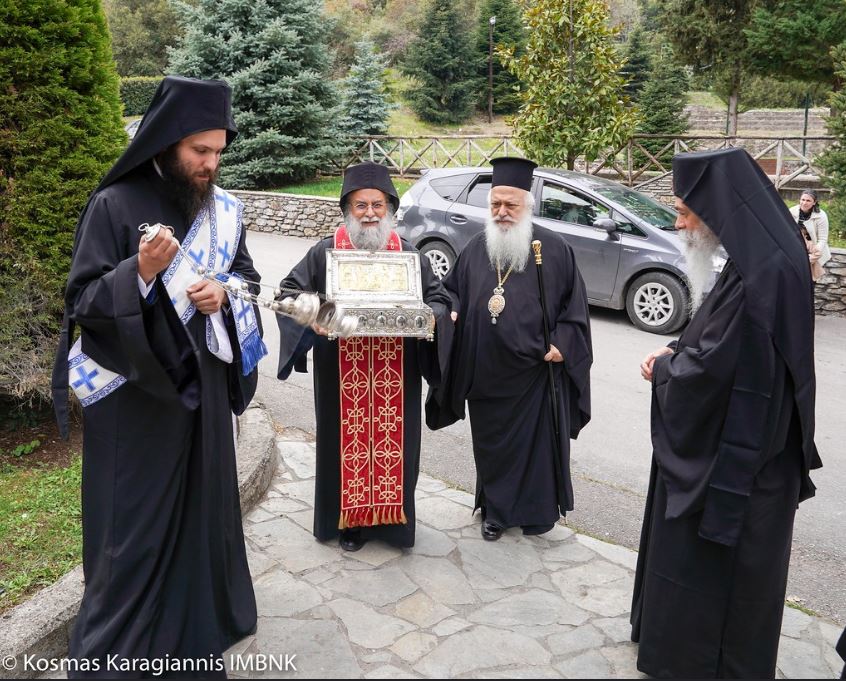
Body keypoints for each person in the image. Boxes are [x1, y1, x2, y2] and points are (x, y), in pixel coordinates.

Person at [51, 76, 264, 677]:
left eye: (219, 151)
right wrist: (140, 272)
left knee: (204, 511)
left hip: (205, 394)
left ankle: (201, 622)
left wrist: (224, 293)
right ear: (169, 142)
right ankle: (120, 643)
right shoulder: (114, 204)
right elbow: (83, 300)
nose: (211, 163)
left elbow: (248, 279)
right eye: (200, 150)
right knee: (134, 524)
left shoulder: (222, 210)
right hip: (137, 399)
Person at [632, 148, 822, 678]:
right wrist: (678, 349)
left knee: (716, 577)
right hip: (749, 449)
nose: (677, 224)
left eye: (683, 211)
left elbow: (720, 370)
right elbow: (718, 339)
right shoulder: (760, 254)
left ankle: (696, 664)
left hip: (737, 461)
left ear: (716, 207)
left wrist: (667, 370)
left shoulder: (764, 270)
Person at [276, 162, 452, 552]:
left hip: (397, 375)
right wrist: (315, 316)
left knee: (397, 452)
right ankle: (349, 526)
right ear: (347, 209)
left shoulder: (408, 254)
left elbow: (440, 300)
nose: (370, 213)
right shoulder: (325, 252)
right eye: (360, 205)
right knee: (343, 450)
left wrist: (430, 317)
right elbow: (288, 294)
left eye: (377, 205)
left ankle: (394, 527)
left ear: (389, 209)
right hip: (341, 377)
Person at [426, 157, 592, 541]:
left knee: (534, 452)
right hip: (484, 372)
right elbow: (451, 292)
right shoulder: (475, 248)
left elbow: (575, 310)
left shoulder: (554, 249)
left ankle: (534, 513)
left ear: (527, 205)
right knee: (493, 449)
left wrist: (563, 344)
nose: (501, 212)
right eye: (495, 204)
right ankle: (496, 512)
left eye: (510, 205)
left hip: (533, 374)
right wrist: (450, 311)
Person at [790, 188, 831, 282]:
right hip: (796, 251)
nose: (804, 203)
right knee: (795, 281)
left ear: (814, 202)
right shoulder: (792, 211)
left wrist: (813, 256)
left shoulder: (821, 216)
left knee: (810, 281)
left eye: (808, 200)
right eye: (803, 199)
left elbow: (823, 239)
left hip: (814, 251)